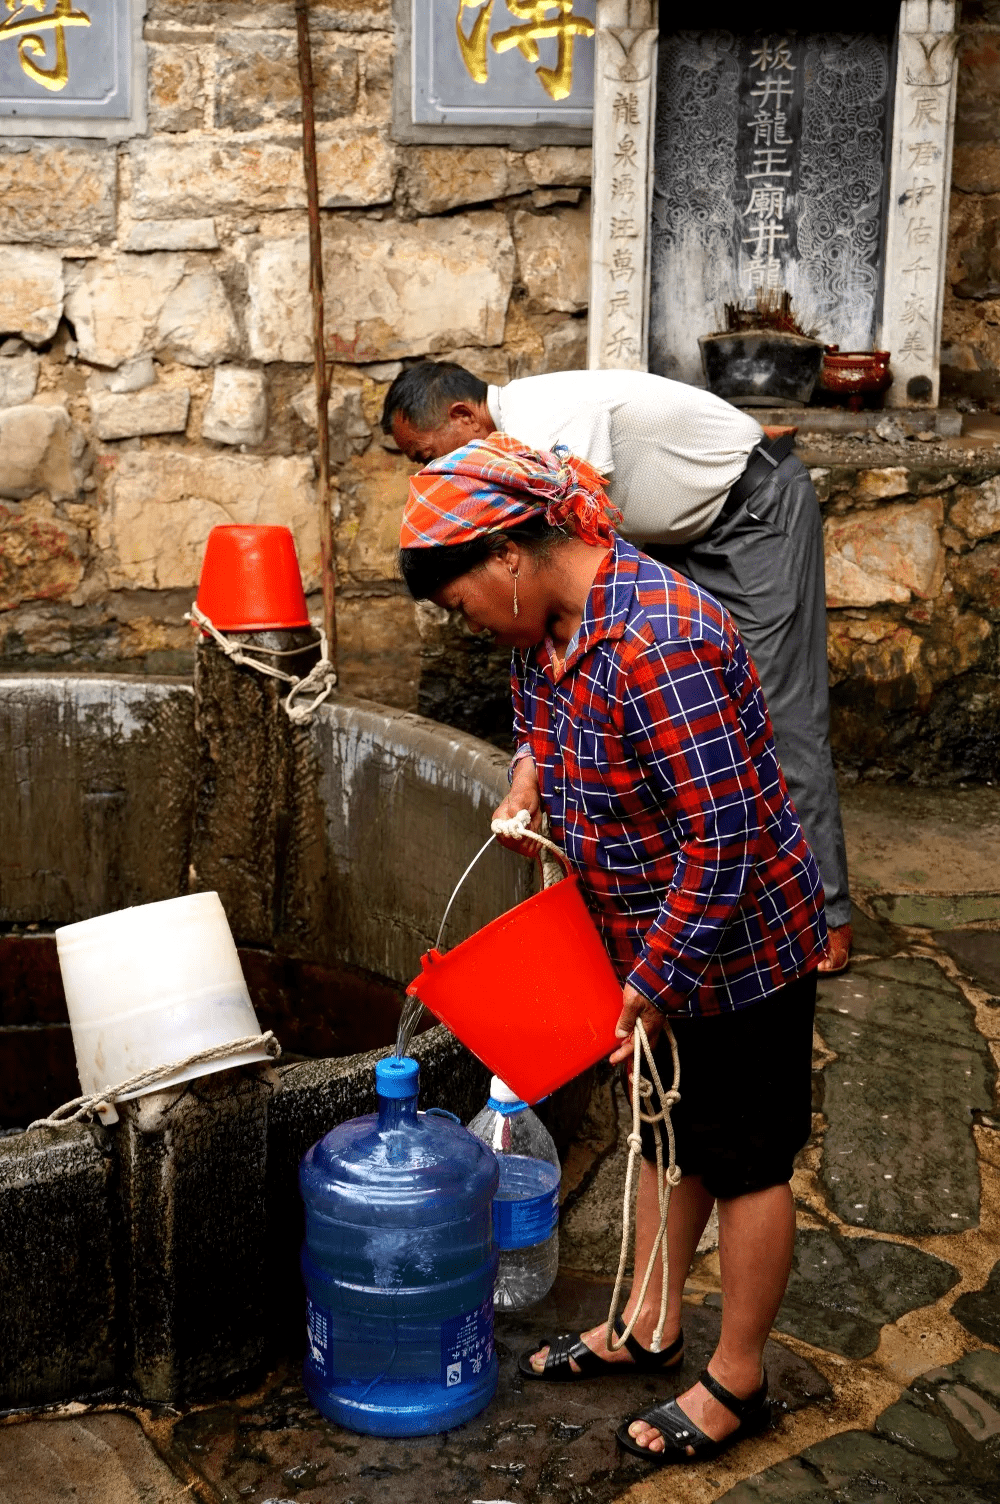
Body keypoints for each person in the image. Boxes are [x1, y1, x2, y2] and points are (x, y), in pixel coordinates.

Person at [398, 435, 827, 1467]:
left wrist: (652, 980)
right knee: (662, 1136)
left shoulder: (658, 641)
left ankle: (736, 1374)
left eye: (460, 605)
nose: (467, 628)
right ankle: (646, 1321)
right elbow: (541, 727)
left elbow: (721, 837)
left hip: (740, 947)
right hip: (647, 943)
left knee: (744, 1158)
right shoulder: (546, 633)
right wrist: (526, 782)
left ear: (509, 554)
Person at [383, 361, 851, 973]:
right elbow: (559, 628)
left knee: (778, 714)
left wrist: (657, 977)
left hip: (752, 513)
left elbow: (586, 546)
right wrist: (530, 777)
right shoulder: (526, 545)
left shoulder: (547, 428)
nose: (428, 473)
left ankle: (824, 918)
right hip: (689, 531)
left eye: (424, 453)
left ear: (463, 416)